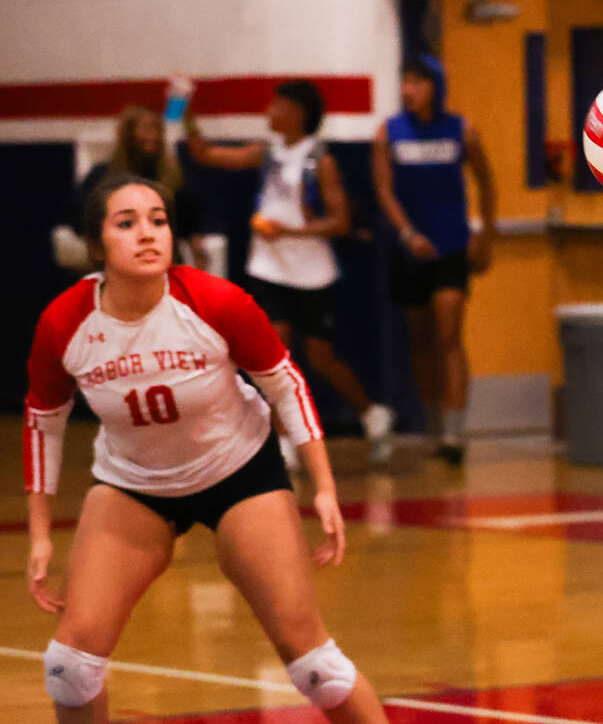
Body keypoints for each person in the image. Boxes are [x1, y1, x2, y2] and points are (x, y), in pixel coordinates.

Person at [23, 175, 389, 723]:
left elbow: (286, 386)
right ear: (96, 248)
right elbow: (41, 424)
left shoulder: (214, 300)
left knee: (316, 668)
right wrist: (39, 534)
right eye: (126, 224)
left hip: (238, 473)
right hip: (134, 484)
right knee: (68, 667)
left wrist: (326, 487)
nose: (147, 234)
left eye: (158, 220)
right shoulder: (64, 324)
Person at [186, 81, 394, 464]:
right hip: (268, 270)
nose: (270, 109)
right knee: (275, 357)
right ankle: (284, 442)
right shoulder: (266, 153)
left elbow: (341, 221)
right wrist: (183, 109)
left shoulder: (321, 161)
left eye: (278, 103)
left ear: (298, 111)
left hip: (312, 275)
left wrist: (290, 231)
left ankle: (371, 412)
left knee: (321, 360)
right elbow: (203, 153)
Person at [372, 55, 497, 464]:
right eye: (404, 81)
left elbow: (486, 181)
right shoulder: (388, 133)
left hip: (451, 247)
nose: (408, 89)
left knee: (449, 333)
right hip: (410, 249)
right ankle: (430, 422)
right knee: (421, 339)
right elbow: (384, 190)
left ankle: (454, 433)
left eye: (417, 82)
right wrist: (407, 233)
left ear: (434, 86)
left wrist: (487, 235)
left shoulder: (461, 130)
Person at [58, 106, 210, 273]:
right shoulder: (102, 177)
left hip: (164, 268)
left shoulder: (171, 179)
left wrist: (199, 256)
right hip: (116, 268)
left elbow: (192, 222)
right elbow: (78, 217)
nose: (153, 136)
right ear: (128, 135)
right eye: (146, 129)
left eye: (157, 130)